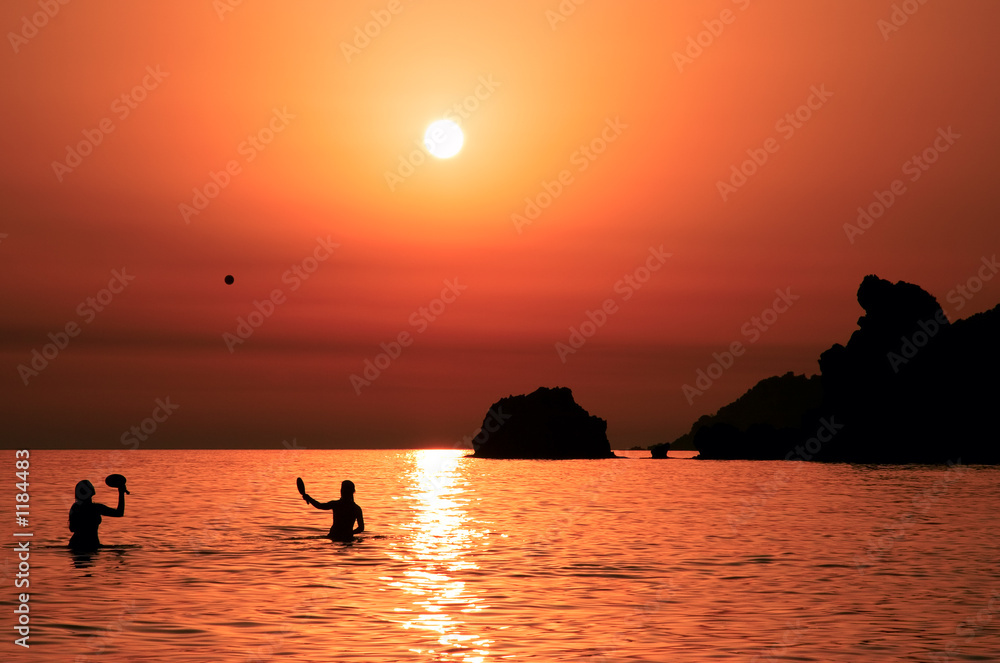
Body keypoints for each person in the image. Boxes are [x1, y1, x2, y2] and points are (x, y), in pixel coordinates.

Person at [68, 479, 125, 551]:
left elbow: (72, 528)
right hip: (92, 544)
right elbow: (119, 513)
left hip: (76, 544)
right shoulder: (96, 508)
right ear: (92, 492)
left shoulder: (75, 507)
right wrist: (121, 493)